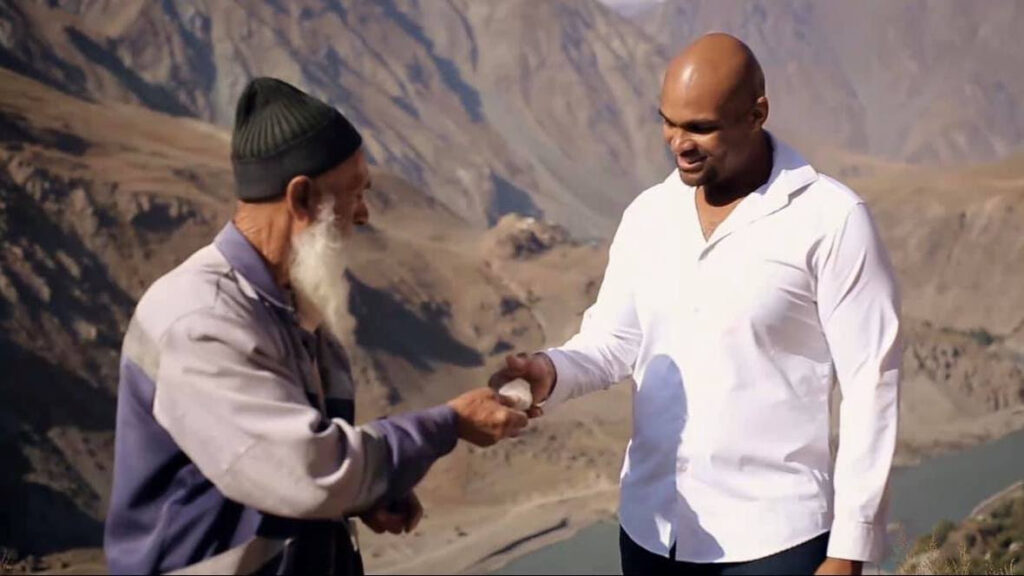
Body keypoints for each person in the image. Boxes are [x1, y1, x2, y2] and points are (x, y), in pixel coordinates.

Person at [489, 34, 901, 576]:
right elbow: (614, 343)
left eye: (700, 127)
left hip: (776, 545)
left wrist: (848, 551)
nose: (678, 142)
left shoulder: (832, 220)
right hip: (651, 534)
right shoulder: (648, 215)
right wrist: (549, 371)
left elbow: (872, 384)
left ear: (757, 114)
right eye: (668, 122)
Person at [104, 77, 528, 575]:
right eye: (355, 194)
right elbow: (309, 472)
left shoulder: (287, 307)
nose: (365, 214)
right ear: (301, 199)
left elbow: (269, 465)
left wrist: (364, 495)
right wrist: (449, 423)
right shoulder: (201, 320)